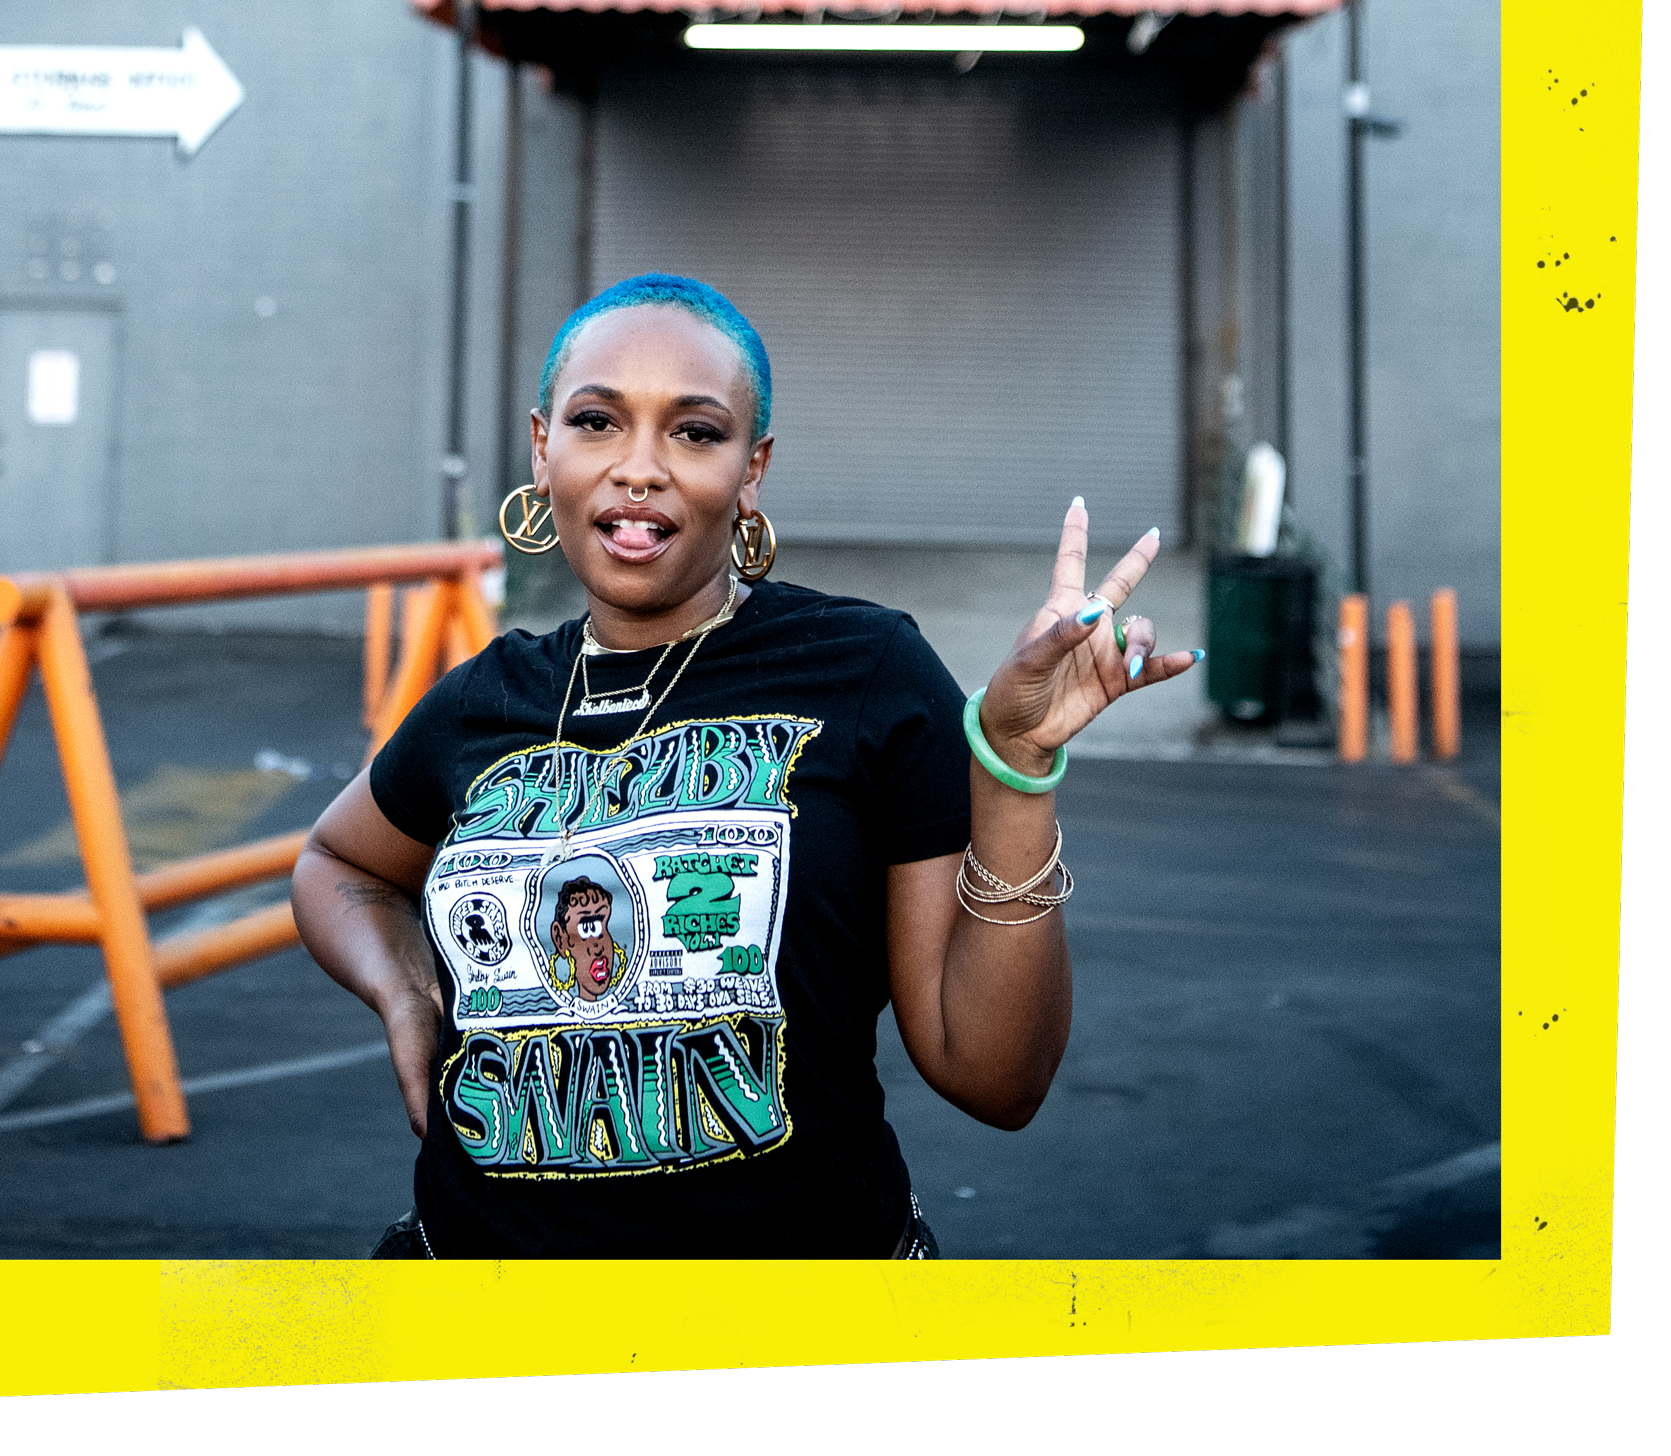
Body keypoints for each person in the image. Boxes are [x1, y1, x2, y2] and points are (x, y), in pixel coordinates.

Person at [292, 271, 1200, 1259]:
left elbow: (994, 1079)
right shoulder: (482, 698)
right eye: (597, 422)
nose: (638, 468)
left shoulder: (866, 675)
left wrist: (1017, 767)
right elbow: (338, 864)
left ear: (751, 468)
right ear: (541, 446)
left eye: (693, 431)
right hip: (478, 1331)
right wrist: (402, 986)